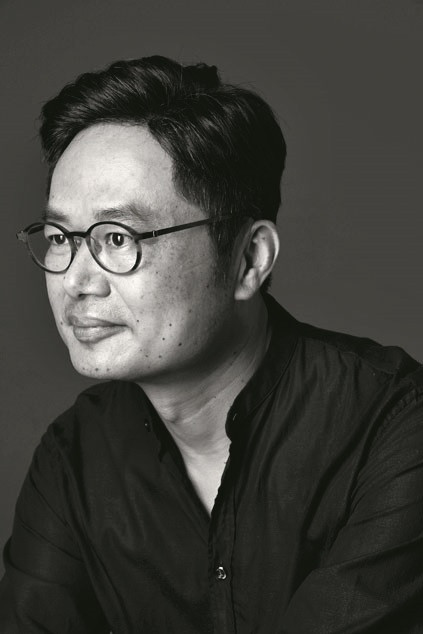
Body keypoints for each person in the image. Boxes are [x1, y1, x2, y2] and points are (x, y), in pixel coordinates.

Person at [1, 55, 423, 634]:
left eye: (118, 238)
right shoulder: (74, 457)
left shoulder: (394, 426)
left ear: (249, 259)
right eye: (58, 237)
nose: (76, 281)